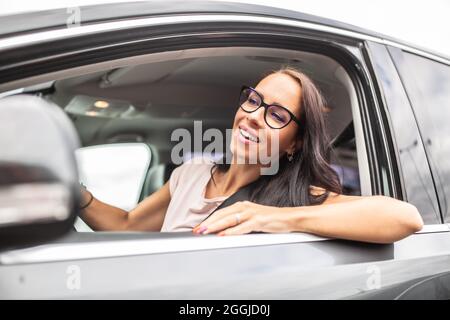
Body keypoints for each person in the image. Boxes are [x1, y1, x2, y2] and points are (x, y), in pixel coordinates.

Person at [79, 67, 423, 243]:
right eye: (254, 100)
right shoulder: (193, 172)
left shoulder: (295, 198)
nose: (254, 115)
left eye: (276, 115)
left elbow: (405, 218)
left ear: (294, 144)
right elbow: (126, 225)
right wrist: (77, 196)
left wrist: (273, 218)